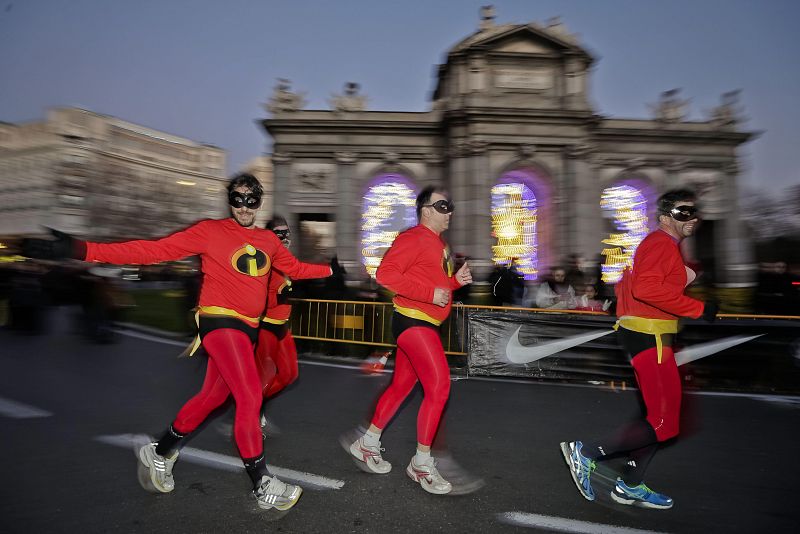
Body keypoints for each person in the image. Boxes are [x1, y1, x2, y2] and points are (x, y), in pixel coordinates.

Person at [22, 173, 332, 513]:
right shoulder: (209, 231)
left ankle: (159, 451)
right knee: (249, 395)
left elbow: (296, 268)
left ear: (259, 202)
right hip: (219, 323)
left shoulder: (268, 241)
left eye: (251, 199)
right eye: (237, 198)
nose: (244, 206)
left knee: (213, 397)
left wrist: (330, 271)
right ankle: (262, 483)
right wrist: (81, 249)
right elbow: (152, 250)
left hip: (248, 330)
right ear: (229, 200)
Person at [559, 188, 718, 509]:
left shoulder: (664, 246)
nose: (692, 218)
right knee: (664, 423)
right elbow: (647, 289)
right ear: (664, 217)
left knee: (660, 418)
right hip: (650, 337)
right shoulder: (660, 243)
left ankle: (629, 484)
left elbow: (634, 286)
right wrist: (698, 309)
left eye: (694, 212)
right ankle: (586, 452)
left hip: (652, 337)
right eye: (683, 212)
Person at [343, 185, 472, 495]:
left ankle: (367, 443)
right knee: (439, 387)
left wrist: (454, 282)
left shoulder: (438, 244)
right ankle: (421, 464)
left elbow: (435, 285)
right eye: (442, 206)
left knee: (401, 387)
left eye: (450, 206)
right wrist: (430, 294)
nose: (449, 212)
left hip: (423, 322)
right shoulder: (413, 237)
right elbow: (385, 274)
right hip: (414, 321)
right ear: (425, 211)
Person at [253, 216, 341, 434]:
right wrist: (276, 297)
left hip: (282, 327)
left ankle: (253, 408)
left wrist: (329, 270)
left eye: (287, 233)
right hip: (266, 328)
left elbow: (299, 270)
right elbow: (253, 295)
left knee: (289, 375)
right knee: (264, 377)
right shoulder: (264, 260)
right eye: (279, 233)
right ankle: (250, 415)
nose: (284, 237)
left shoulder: (285, 259)